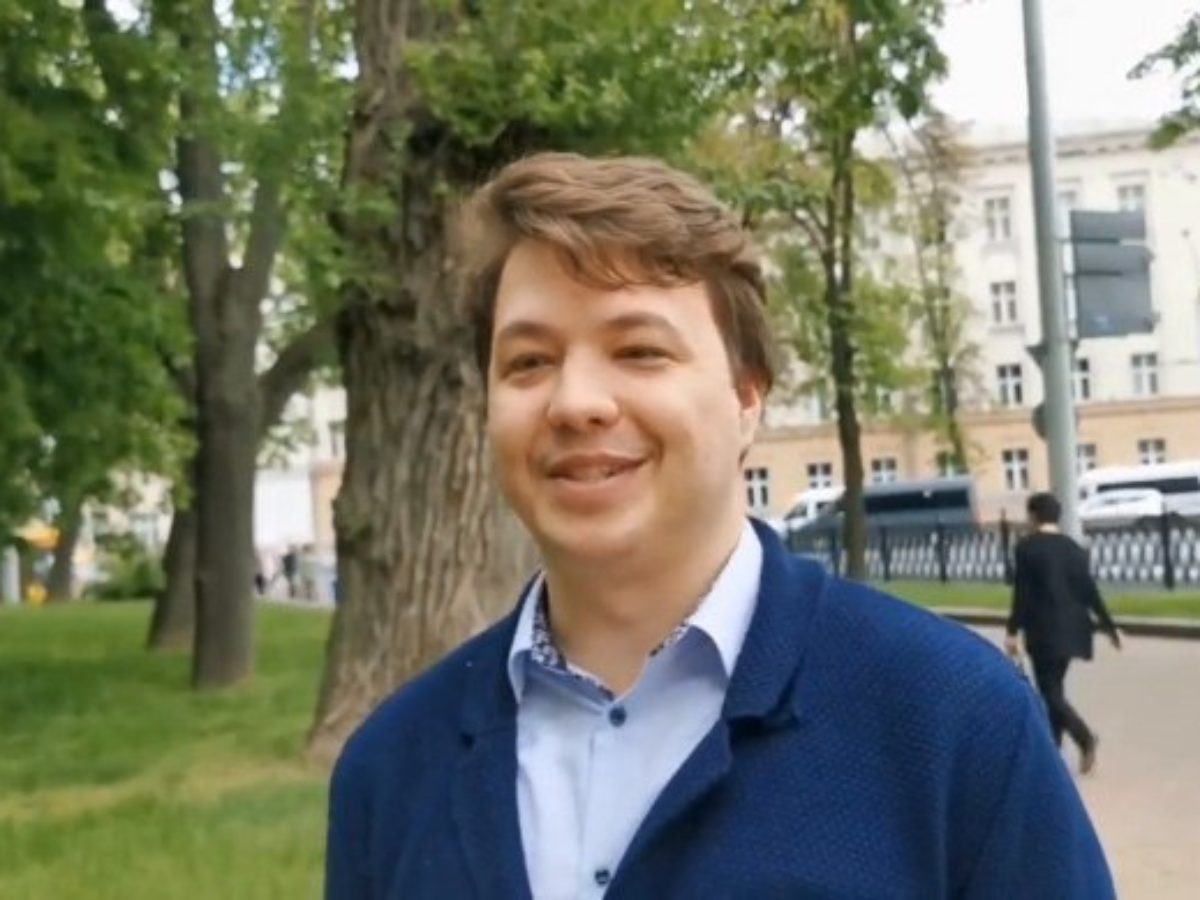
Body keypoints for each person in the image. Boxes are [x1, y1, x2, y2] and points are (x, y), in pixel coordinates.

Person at [325, 153, 1114, 898]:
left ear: (747, 399)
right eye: (529, 362)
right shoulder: (390, 770)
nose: (575, 402)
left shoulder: (951, 722)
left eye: (639, 350)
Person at [1005, 491, 1122, 775]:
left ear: (1033, 516)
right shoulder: (1074, 548)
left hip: (1044, 631)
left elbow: (1023, 594)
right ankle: (1053, 753)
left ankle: (1084, 737)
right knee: (1054, 689)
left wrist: (1012, 630)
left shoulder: (1027, 548)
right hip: (1075, 630)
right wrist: (1109, 626)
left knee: (1050, 693)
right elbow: (1089, 591)